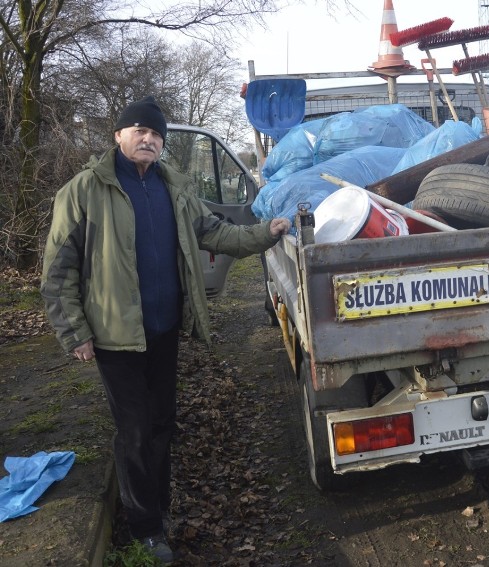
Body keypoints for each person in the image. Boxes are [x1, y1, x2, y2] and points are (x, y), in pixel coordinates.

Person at [40, 96, 289, 564]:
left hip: (163, 329)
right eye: (139, 131)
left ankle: (159, 503)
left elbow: (215, 233)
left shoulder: (172, 187)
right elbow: (58, 269)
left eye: (156, 134)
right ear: (118, 135)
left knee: (161, 423)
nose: (148, 139)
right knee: (133, 430)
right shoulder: (83, 191)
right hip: (115, 336)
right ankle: (146, 528)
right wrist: (74, 331)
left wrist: (266, 233)